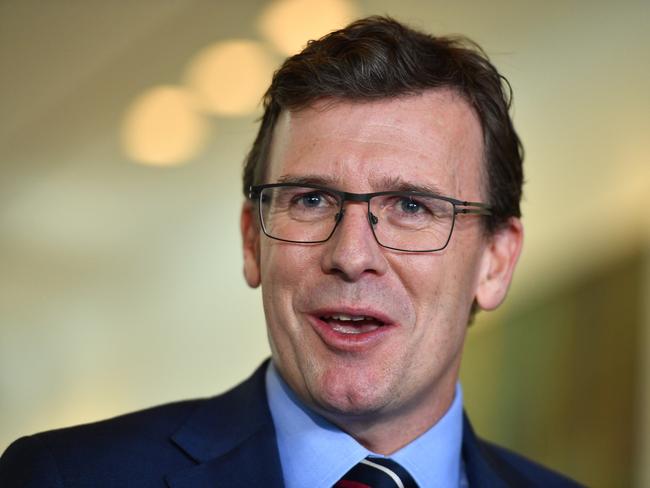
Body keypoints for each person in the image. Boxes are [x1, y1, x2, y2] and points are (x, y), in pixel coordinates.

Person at [0, 16, 582, 487]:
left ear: (495, 262)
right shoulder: (66, 477)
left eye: (411, 207)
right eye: (311, 199)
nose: (352, 255)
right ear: (253, 241)